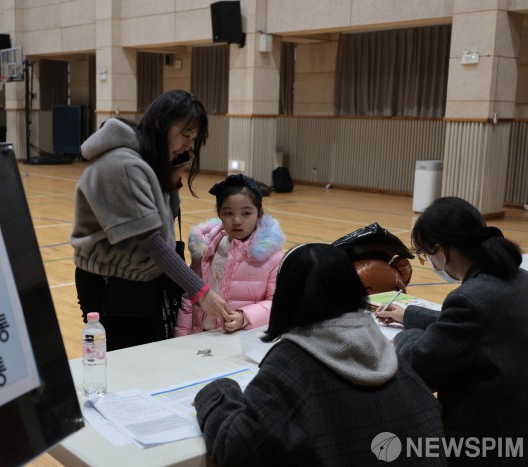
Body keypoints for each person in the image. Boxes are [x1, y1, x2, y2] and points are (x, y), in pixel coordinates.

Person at [194, 243, 445, 466]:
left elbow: (237, 451)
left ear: (286, 297)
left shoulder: (293, 361)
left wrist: (218, 392)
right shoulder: (383, 347)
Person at [71, 90, 233, 351]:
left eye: (193, 139)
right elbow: (151, 241)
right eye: (185, 135)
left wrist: (172, 179)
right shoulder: (121, 164)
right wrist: (200, 292)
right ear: (161, 122)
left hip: (142, 282)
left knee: (149, 359)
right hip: (111, 285)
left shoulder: (149, 160)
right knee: (123, 362)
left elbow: (166, 224)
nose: (189, 146)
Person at [376, 196, 528, 461]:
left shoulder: (470, 299)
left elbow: (421, 366)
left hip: (482, 440)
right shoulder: (518, 278)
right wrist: (409, 314)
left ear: (443, 251)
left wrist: (403, 339)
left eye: (427, 255)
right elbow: (477, 326)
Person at [174, 174, 284, 336]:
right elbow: (190, 296)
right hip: (199, 337)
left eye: (246, 213)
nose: (237, 220)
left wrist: (244, 317)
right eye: (228, 213)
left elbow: (276, 303)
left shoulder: (272, 256)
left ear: (259, 214)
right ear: (219, 214)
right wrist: (181, 336)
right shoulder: (205, 248)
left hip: (239, 339)